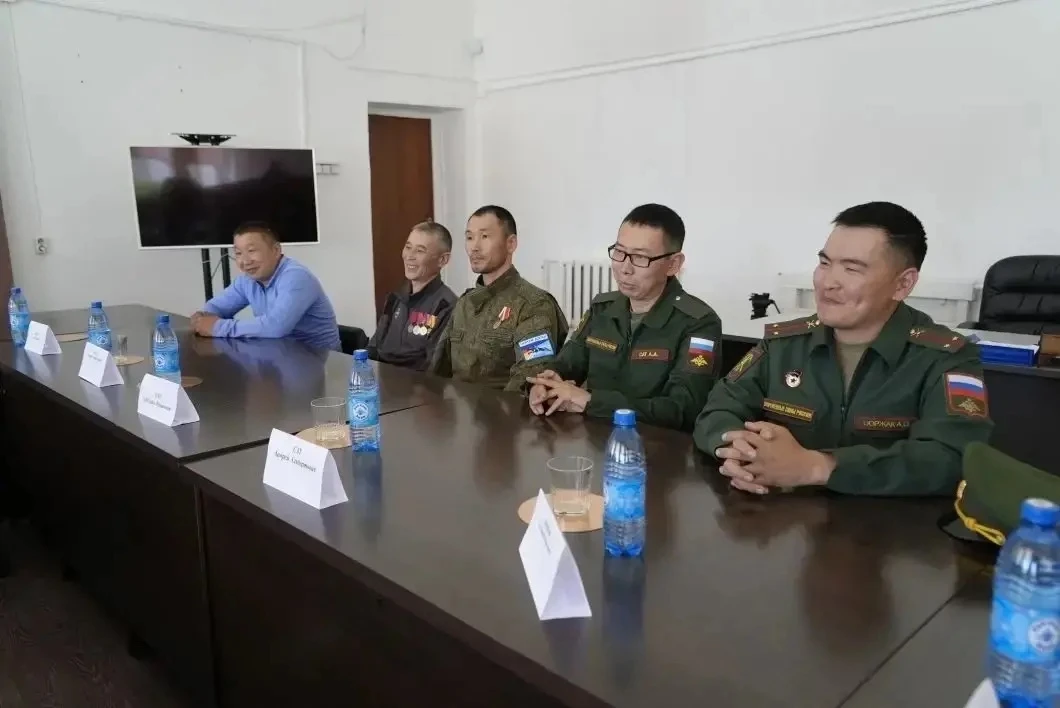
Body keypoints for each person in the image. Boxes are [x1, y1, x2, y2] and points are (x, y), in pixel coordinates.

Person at [694, 201, 993, 496]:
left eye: (851, 269)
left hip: (889, 524)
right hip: (781, 517)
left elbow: (953, 457)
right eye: (824, 263)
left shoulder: (945, 357)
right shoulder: (783, 344)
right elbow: (718, 409)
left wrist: (818, 467)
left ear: (902, 284)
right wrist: (736, 449)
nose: (827, 282)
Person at [526, 204, 722, 431]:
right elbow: (567, 363)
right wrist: (545, 383)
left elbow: (683, 409)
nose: (625, 268)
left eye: (640, 257)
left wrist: (591, 401)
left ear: (673, 264)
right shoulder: (603, 308)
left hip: (658, 446)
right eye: (619, 252)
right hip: (593, 439)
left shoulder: (698, 323)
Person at [429, 206, 568, 392]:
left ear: (511, 244)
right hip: (455, 406)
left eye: (485, 236)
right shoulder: (465, 303)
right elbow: (439, 370)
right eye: (469, 237)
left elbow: (531, 376)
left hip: (502, 408)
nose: (474, 247)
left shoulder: (534, 305)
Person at [191, 222, 340, 351]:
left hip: (319, 360)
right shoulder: (247, 280)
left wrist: (217, 327)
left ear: (276, 250)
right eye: (238, 253)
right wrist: (202, 317)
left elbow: (276, 326)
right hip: (279, 355)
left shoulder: (296, 277)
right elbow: (216, 307)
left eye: (251, 251)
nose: (245, 261)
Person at [367, 220, 457, 371]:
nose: (409, 256)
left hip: (415, 383)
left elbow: (433, 368)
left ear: (442, 260)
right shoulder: (396, 298)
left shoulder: (447, 307)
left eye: (420, 251)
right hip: (381, 379)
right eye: (408, 247)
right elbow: (374, 348)